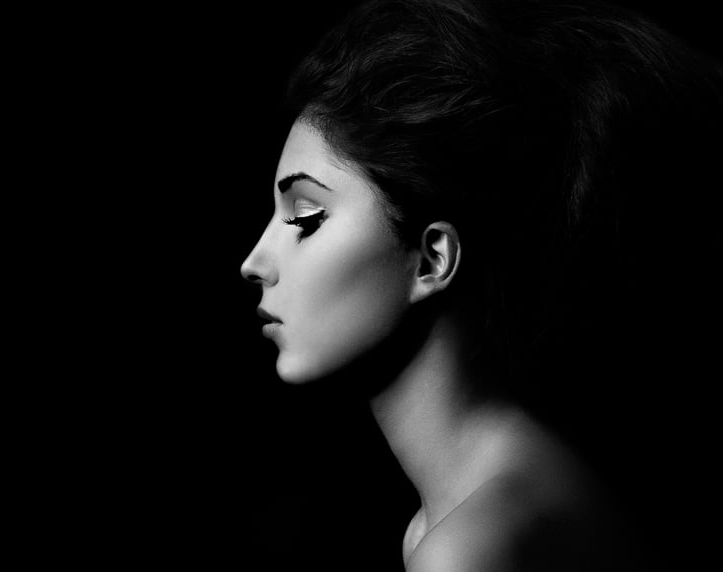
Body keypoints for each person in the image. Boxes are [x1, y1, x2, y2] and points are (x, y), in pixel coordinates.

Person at [240, 0, 723, 570]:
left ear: (433, 258)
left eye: (304, 218)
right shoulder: (468, 506)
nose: (253, 262)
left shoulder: (470, 546)